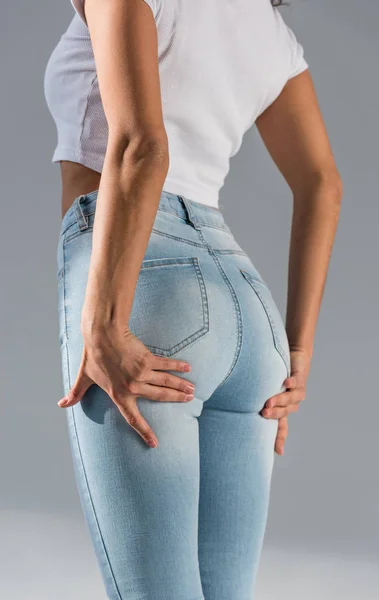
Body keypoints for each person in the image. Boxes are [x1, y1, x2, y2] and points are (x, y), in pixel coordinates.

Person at [43, 0, 342, 598]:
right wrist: (298, 355)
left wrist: (103, 322)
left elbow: (141, 146)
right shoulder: (271, 31)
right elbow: (322, 185)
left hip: (149, 288)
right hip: (247, 312)